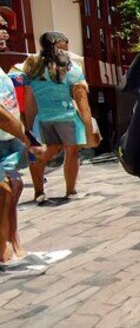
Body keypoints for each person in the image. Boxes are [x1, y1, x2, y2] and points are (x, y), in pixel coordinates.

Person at [23, 32, 100, 205]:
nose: (68, 46)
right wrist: (89, 131)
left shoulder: (33, 70)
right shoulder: (71, 69)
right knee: (71, 153)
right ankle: (70, 191)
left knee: (47, 150)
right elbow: (82, 104)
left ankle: (38, 192)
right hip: (67, 117)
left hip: (43, 119)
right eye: (66, 43)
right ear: (59, 43)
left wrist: (28, 127)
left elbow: (30, 103)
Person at [0, 26, 43, 265]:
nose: (3, 33)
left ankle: (11, 240)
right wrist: (28, 139)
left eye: (4, 27)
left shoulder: (4, 71)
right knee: (5, 190)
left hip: (8, 142)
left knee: (13, 187)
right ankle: (4, 246)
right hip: (7, 139)